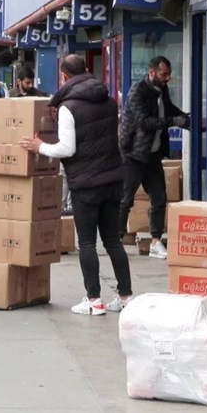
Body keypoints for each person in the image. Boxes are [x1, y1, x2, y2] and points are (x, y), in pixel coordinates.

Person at [21, 54, 132, 315]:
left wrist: (40, 147)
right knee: (112, 241)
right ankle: (126, 297)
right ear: (86, 70)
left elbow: (67, 148)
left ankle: (94, 300)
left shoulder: (68, 107)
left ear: (64, 77)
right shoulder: (109, 101)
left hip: (86, 184)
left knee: (87, 242)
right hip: (113, 179)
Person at [117, 55, 190, 260]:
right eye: (164, 74)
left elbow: (168, 109)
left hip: (153, 154)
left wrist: (186, 119)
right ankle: (115, 239)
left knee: (159, 198)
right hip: (134, 154)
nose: (168, 78)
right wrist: (174, 121)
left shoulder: (162, 90)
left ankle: (156, 242)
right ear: (151, 73)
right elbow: (145, 122)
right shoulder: (137, 91)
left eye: (169, 74)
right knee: (125, 199)